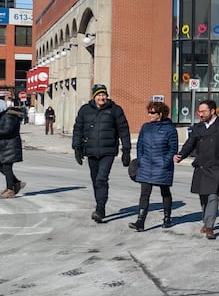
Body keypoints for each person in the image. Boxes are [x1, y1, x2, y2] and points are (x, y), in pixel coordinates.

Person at [173, 99, 219, 240]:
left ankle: (209, 226)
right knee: (203, 196)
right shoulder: (198, 127)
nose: (200, 114)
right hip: (201, 166)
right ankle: (206, 220)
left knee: (213, 196)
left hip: (216, 166)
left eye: (203, 111)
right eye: (199, 112)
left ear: (213, 111)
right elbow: (190, 143)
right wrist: (181, 155)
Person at [72, 84, 131, 223]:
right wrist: (77, 147)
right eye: (99, 95)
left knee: (101, 179)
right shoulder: (85, 110)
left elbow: (124, 129)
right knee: (95, 180)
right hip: (91, 150)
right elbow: (78, 129)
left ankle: (100, 208)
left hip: (108, 151)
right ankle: (100, 204)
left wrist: (126, 150)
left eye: (104, 94)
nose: (102, 97)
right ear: (94, 96)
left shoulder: (115, 110)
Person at [129, 100, 178, 232]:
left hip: (162, 166)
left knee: (165, 192)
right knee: (144, 193)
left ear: (160, 114)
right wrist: (141, 159)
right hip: (146, 165)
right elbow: (140, 145)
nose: (150, 115)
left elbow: (173, 148)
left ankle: (167, 218)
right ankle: (140, 221)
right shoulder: (146, 127)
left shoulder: (170, 129)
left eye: (152, 113)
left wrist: (165, 162)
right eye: (149, 112)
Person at [0, 99, 26, 198]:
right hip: (5, 145)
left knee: (6, 167)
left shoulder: (9, 116)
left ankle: (10, 189)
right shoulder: (4, 115)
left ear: (0, 107)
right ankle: (16, 183)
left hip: (10, 145)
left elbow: (6, 130)